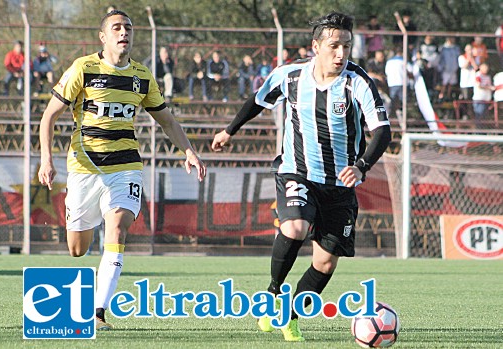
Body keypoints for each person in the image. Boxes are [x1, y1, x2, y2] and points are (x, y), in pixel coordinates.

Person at [212, 12, 390, 342]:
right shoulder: (291, 76)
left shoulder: (357, 82)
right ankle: (272, 294)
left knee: (324, 264)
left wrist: (362, 165)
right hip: (298, 171)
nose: (341, 54)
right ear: (316, 46)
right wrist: (229, 131)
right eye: (334, 46)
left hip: (341, 184)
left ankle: (290, 317)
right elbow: (257, 100)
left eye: (347, 47)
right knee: (294, 227)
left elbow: (382, 132)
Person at [38, 9, 206, 331]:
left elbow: (167, 120)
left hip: (126, 166)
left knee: (117, 228)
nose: (123, 32)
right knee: (77, 250)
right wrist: (46, 160)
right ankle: (82, 219)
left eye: (127, 27)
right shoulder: (83, 69)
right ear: (103, 37)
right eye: (116, 28)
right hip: (84, 168)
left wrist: (189, 152)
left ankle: (98, 312)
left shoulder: (141, 76)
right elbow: (48, 117)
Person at [458, 44, 479, 118]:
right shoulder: (462, 57)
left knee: (472, 99)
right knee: (466, 99)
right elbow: (464, 66)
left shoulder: (476, 58)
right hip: (465, 83)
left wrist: (472, 59)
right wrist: (468, 58)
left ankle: (473, 115)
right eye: (468, 50)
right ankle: (465, 114)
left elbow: (476, 67)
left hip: (473, 83)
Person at [437, 37, 460, 102]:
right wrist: (441, 67)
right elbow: (440, 58)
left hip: (453, 69)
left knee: (451, 83)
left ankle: (448, 96)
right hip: (445, 69)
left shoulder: (456, 48)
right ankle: (441, 96)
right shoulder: (443, 48)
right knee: (444, 83)